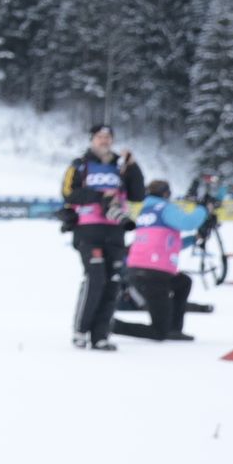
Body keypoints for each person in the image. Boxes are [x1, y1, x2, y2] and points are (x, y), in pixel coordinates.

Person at [60, 125, 144, 351]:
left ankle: (100, 335)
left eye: (108, 137)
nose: (104, 141)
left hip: (115, 229)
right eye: (100, 137)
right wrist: (99, 196)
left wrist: (133, 167)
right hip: (88, 229)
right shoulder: (80, 165)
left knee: (113, 282)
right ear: (92, 139)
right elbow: (68, 193)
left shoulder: (121, 166)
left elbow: (137, 194)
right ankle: (81, 330)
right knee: (95, 278)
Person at [113, 180, 207, 341]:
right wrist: (203, 209)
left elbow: (166, 244)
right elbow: (188, 222)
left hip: (143, 270)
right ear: (166, 193)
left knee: (183, 282)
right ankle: (112, 325)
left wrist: (193, 239)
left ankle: (174, 328)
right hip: (153, 274)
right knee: (159, 332)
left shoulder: (146, 210)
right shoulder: (165, 208)